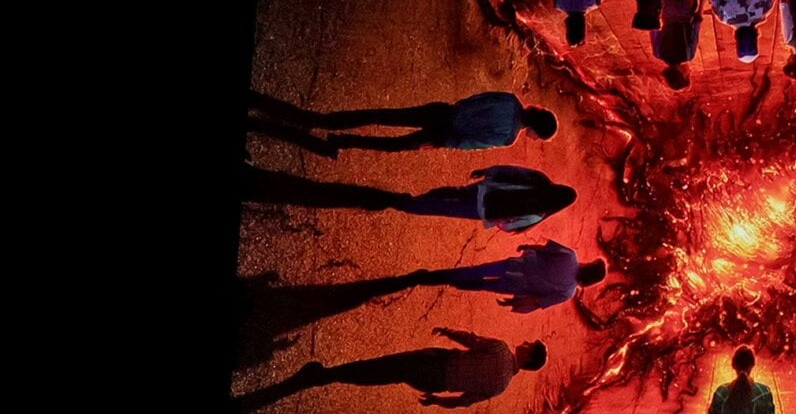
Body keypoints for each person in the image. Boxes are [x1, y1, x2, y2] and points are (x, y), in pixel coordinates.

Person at [238, 330, 547, 413]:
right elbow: (465, 400)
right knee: (387, 374)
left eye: (530, 344)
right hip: (434, 380)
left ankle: (324, 375)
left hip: (435, 361)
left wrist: (449, 332)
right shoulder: (502, 386)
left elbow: (472, 340)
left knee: (381, 366)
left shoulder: (501, 349)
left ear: (529, 354)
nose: (526, 341)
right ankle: (329, 376)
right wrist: (438, 401)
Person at [241, 165, 576, 233]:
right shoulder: (538, 216)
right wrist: (499, 220)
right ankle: (404, 202)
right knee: (436, 209)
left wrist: (487, 171)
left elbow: (512, 173)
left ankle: (408, 198)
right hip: (480, 212)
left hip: (482, 192)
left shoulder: (540, 181)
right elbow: (510, 227)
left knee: (446, 194)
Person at [247, 89, 559, 154]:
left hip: (444, 111)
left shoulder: (510, 99)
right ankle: (342, 142)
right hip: (444, 133)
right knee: (392, 145)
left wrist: (458, 109)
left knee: (385, 116)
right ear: (535, 130)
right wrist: (438, 142)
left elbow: (476, 99)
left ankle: (326, 122)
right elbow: (470, 143)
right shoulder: (507, 138)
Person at [412, 240, 608, 313]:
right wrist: (514, 303)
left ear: (590, 264)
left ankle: (438, 276)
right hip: (515, 285)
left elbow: (544, 248)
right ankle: (453, 282)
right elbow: (537, 301)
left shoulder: (570, 255)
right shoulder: (568, 293)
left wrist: (527, 247)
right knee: (484, 285)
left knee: (480, 270)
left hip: (517, 265)